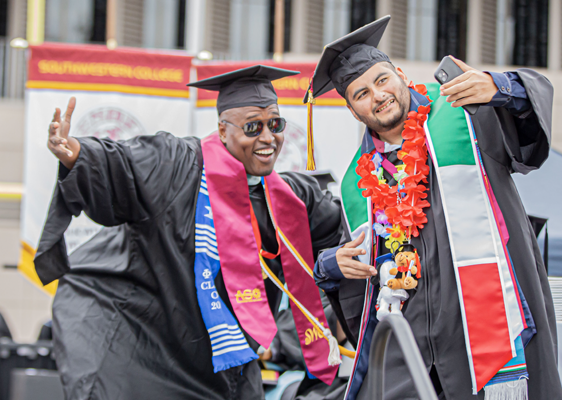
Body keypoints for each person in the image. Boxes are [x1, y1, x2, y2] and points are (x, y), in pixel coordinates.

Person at [34, 65, 346, 400]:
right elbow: (122, 164)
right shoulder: (178, 165)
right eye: (252, 127)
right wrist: (78, 154)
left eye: (275, 124)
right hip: (153, 352)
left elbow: (338, 259)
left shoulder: (293, 201)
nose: (268, 138)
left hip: (230, 367)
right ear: (223, 131)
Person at [308, 16, 562, 400]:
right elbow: (362, 284)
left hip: (482, 334)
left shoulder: (464, 113)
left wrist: (499, 87)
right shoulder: (357, 184)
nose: (377, 96)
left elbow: (529, 123)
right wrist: (330, 265)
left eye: (381, 80)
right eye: (361, 94)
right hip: (410, 353)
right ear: (353, 110)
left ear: (399, 73)